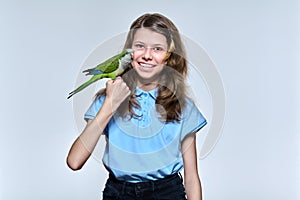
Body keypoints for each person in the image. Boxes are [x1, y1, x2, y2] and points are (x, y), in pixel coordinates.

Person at [67, 13, 207, 200]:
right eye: (140, 46)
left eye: (157, 48)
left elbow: (191, 177)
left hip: (168, 193)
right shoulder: (108, 100)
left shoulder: (182, 105)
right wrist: (111, 103)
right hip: (119, 193)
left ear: (169, 56)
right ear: (129, 52)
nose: (147, 56)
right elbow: (74, 161)